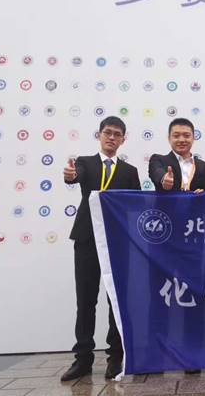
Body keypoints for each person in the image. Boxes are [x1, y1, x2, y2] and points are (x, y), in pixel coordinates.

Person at [61, 116, 141, 381]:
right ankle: (83, 359)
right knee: (86, 300)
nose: (111, 138)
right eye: (108, 133)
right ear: (99, 135)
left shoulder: (129, 171)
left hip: (117, 242)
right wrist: (71, 176)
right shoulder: (85, 163)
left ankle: (115, 358)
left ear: (123, 139)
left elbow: (135, 205)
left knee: (115, 300)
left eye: (117, 134)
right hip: (87, 239)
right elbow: (76, 176)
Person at [148, 117, 205, 375]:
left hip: (193, 241)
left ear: (193, 137)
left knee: (192, 297)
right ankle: (156, 356)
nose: (182, 139)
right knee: (159, 298)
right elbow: (157, 175)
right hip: (163, 240)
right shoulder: (159, 160)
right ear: (169, 138)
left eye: (186, 135)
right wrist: (165, 181)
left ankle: (192, 356)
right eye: (177, 135)